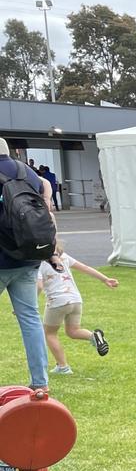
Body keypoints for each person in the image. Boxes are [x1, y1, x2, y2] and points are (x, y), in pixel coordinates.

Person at [0, 139, 51, 390]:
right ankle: (40, 382)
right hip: (29, 256)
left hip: (1, 258)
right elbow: (46, 194)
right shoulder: (26, 171)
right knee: (30, 318)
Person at [38, 242, 117, 374]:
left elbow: (39, 286)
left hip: (57, 301)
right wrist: (105, 279)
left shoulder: (39, 263)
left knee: (50, 333)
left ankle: (63, 367)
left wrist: (29, 304)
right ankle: (93, 336)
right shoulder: (63, 257)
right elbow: (85, 267)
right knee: (73, 331)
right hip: (76, 300)